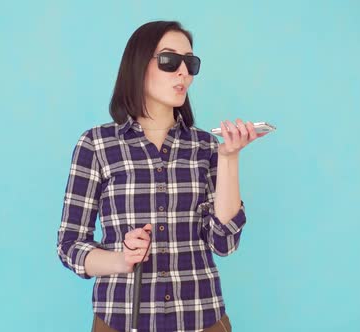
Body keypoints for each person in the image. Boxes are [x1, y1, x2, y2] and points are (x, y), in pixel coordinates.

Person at [57, 20, 266, 332]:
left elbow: (224, 243)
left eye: (190, 63)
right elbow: (70, 244)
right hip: (121, 320)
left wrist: (229, 157)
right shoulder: (97, 144)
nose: (184, 72)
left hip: (202, 319)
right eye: (170, 61)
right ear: (139, 65)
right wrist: (122, 260)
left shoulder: (205, 146)